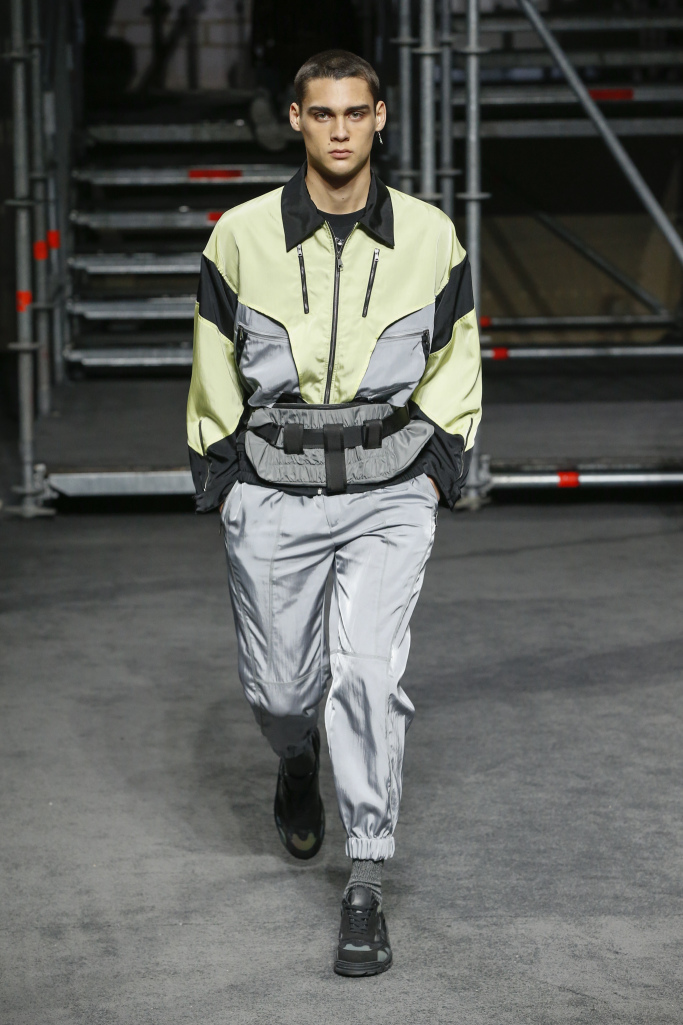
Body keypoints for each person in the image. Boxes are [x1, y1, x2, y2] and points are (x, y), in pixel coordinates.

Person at [186, 49, 481, 977]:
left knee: (365, 673)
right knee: (282, 692)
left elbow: (456, 356)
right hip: (274, 486)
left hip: (388, 489)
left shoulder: (430, 236)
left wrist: (435, 469)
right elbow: (211, 357)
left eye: (356, 112)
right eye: (323, 114)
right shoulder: (241, 235)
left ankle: (365, 882)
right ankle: (295, 755)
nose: (341, 129)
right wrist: (226, 474)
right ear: (296, 119)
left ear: (380, 117)